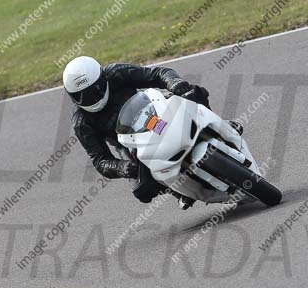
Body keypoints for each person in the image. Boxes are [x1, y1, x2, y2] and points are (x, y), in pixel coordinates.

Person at [63, 56, 238, 205]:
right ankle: (177, 190)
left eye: (95, 90)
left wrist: (174, 83)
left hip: (154, 111)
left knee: (193, 92)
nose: (91, 98)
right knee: (142, 190)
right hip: (128, 143)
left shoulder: (116, 72)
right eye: (82, 96)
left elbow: (157, 73)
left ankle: (220, 125)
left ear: (103, 79)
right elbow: (100, 160)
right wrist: (122, 167)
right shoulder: (81, 122)